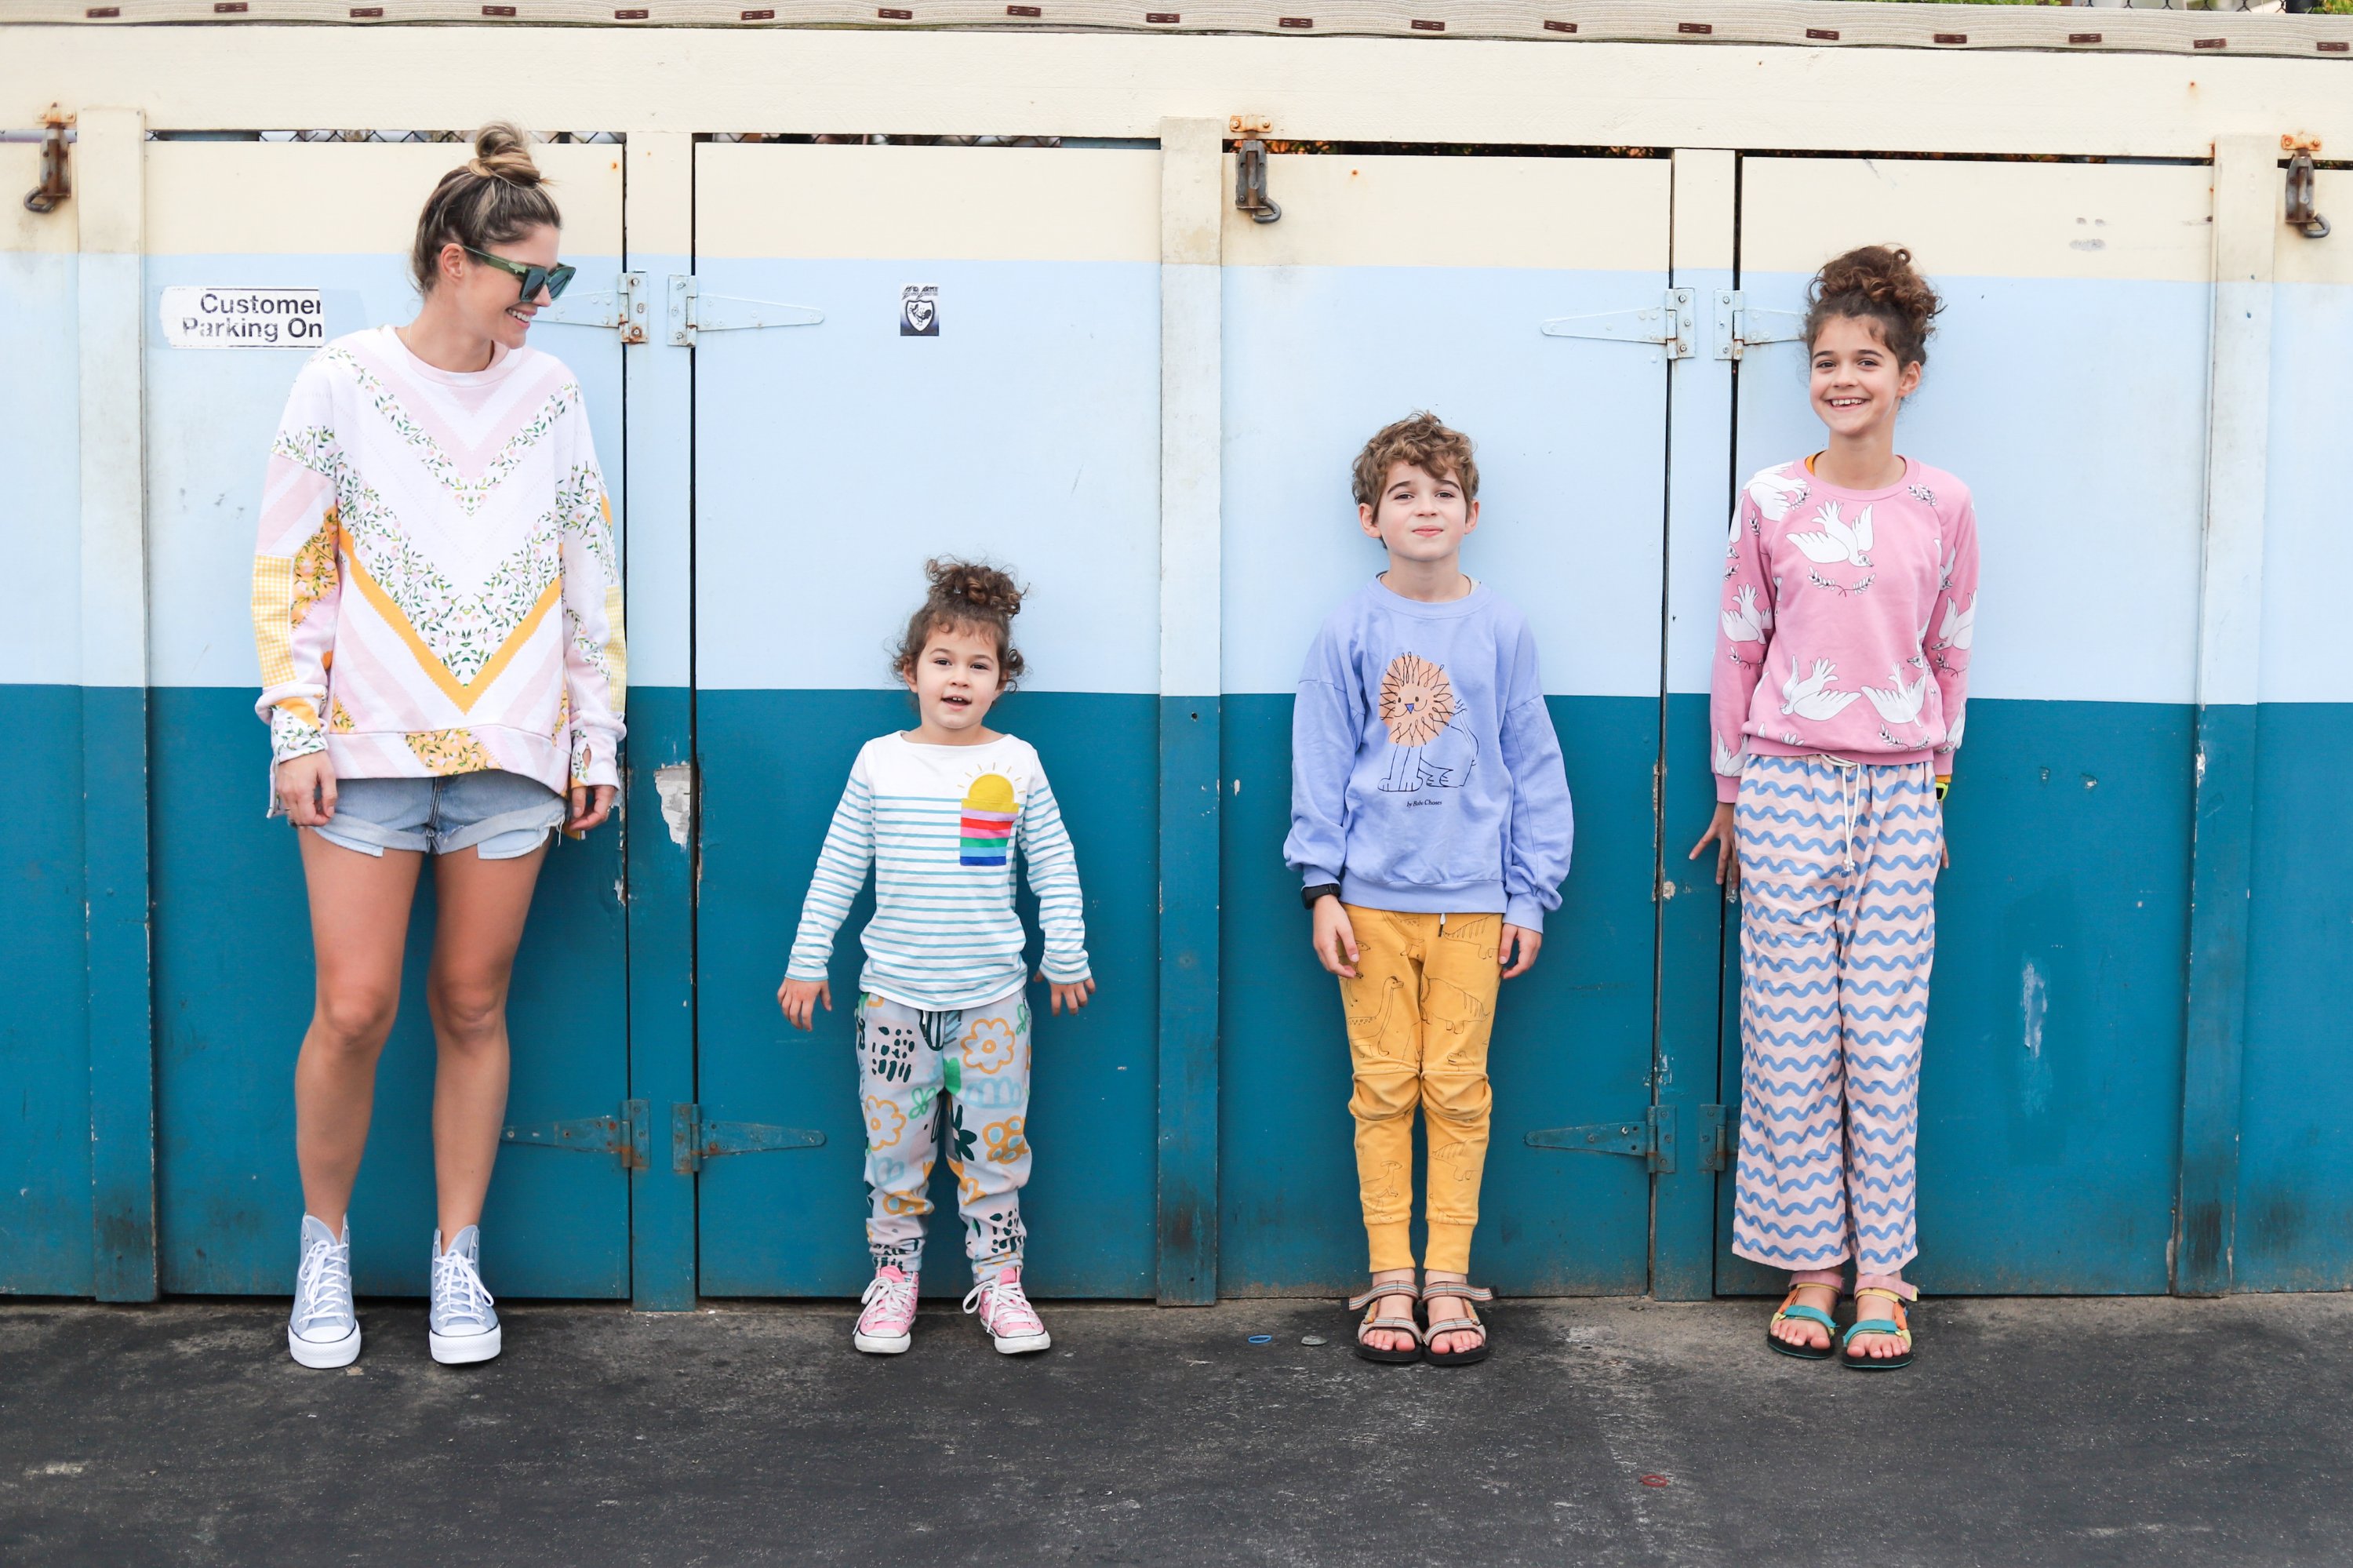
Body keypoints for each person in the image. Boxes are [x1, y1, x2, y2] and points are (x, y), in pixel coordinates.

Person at [254, 124, 624, 1369]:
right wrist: (295, 725)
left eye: (557, 277)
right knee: (353, 1007)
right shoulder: (341, 381)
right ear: (456, 262)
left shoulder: (550, 391)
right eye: (533, 275)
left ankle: (458, 1260)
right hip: (360, 749)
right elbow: (293, 563)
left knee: (472, 1004)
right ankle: (323, 1250)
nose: (545, 298)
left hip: (512, 751)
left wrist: (595, 736)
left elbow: (587, 567)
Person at [1689, 245, 1977, 1372]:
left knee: (1884, 1045)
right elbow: (1737, 646)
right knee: (1792, 1039)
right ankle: (1812, 1263)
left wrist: (1934, 794)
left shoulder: (1943, 504)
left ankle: (1884, 1276)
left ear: (1908, 375)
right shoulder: (1772, 497)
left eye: (1867, 359)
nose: (1844, 378)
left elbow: (1950, 655)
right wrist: (1731, 792)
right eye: (1826, 360)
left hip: (1901, 795)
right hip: (1783, 788)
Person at [1285, 413, 1575, 1366]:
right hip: (1369, 905)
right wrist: (1322, 888)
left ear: (1472, 513)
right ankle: (1390, 1278)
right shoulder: (1350, 628)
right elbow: (1321, 760)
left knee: (1456, 1089)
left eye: (1443, 492)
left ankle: (1446, 1277)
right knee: (1381, 1091)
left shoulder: (1501, 627)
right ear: (1369, 517)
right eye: (1403, 493)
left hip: (1475, 908)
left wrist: (1531, 895)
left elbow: (1533, 764)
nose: (1425, 508)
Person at [777, 560, 1094, 1357]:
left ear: (1001, 681)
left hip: (992, 1002)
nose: (958, 678)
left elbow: (1054, 862)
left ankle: (1000, 1281)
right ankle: (894, 1279)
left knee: (996, 1153)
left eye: (978, 665)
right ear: (910, 671)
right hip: (892, 1000)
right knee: (896, 1153)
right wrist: (808, 958)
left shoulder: (1016, 763)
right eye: (942, 661)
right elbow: (839, 865)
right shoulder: (879, 761)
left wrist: (1066, 951)